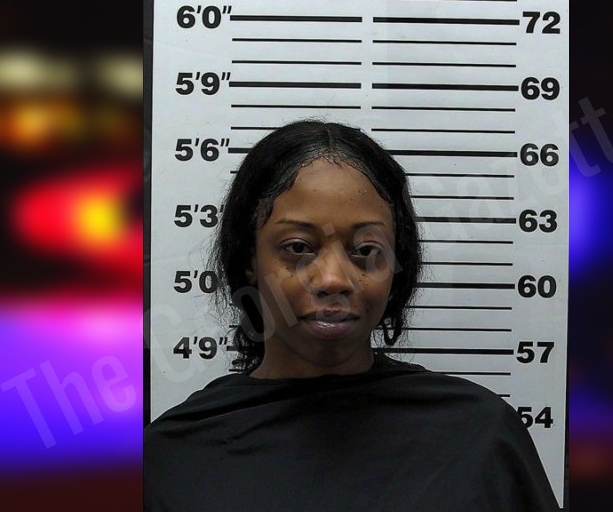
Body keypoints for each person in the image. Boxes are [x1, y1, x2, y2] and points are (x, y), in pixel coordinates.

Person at [144, 120, 560, 511]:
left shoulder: (479, 439)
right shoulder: (172, 459)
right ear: (249, 258)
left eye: (365, 251)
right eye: (297, 247)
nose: (333, 279)